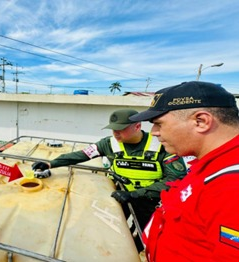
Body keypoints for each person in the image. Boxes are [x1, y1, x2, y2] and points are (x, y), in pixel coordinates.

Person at [31, 109, 187, 246]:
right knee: (109, 230)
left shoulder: (162, 146)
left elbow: (175, 180)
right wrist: (51, 163)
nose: (115, 133)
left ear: (137, 126)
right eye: (113, 129)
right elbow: (82, 155)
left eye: (120, 129)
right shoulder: (109, 144)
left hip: (150, 202)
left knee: (145, 236)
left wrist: (135, 194)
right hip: (119, 197)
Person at [128, 81, 239, 261]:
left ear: (201, 121)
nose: (154, 132)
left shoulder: (231, 185)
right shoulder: (209, 165)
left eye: (159, 123)